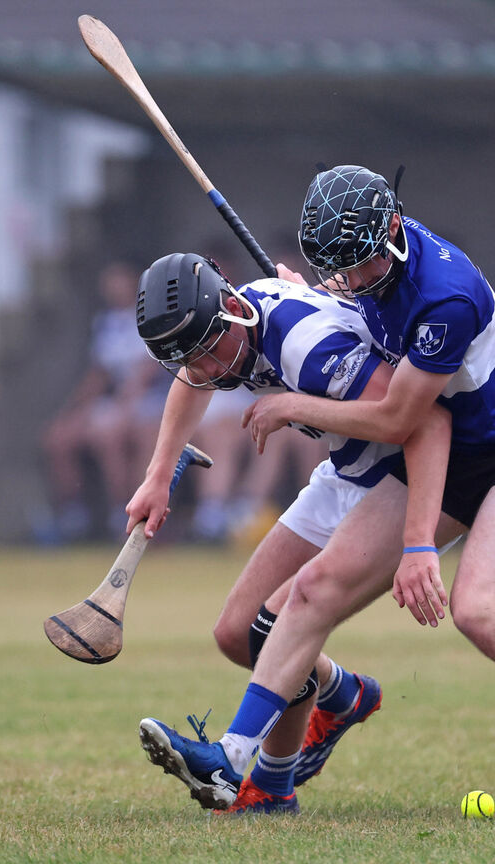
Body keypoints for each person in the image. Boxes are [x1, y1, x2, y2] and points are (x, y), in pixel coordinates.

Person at [135, 165, 495, 819]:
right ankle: (241, 765)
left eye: (358, 268)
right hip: (435, 455)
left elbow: (411, 421)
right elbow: (209, 368)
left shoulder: (443, 297)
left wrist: (416, 546)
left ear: (391, 228)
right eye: (339, 270)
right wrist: (158, 475)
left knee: (478, 610)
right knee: (308, 594)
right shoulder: (359, 266)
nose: (351, 280)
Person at [126, 251, 453, 814]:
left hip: (401, 474)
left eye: (205, 350)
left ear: (233, 308)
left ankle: (266, 782)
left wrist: (292, 405)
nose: (204, 370)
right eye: (186, 357)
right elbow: (192, 381)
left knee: (281, 615)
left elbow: (409, 417)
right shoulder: (228, 329)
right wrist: (158, 477)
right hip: (346, 470)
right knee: (237, 634)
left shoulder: (306, 344)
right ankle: (341, 692)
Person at [39, 260, 165, 541]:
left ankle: (120, 514)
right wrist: (73, 411)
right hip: (116, 402)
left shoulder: (153, 316)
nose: (111, 285)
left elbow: (148, 372)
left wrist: (122, 408)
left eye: (118, 278)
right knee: (58, 437)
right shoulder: (105, 322)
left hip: (148, 402)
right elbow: (99, 375)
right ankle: (73, 517)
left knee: (108, 436)